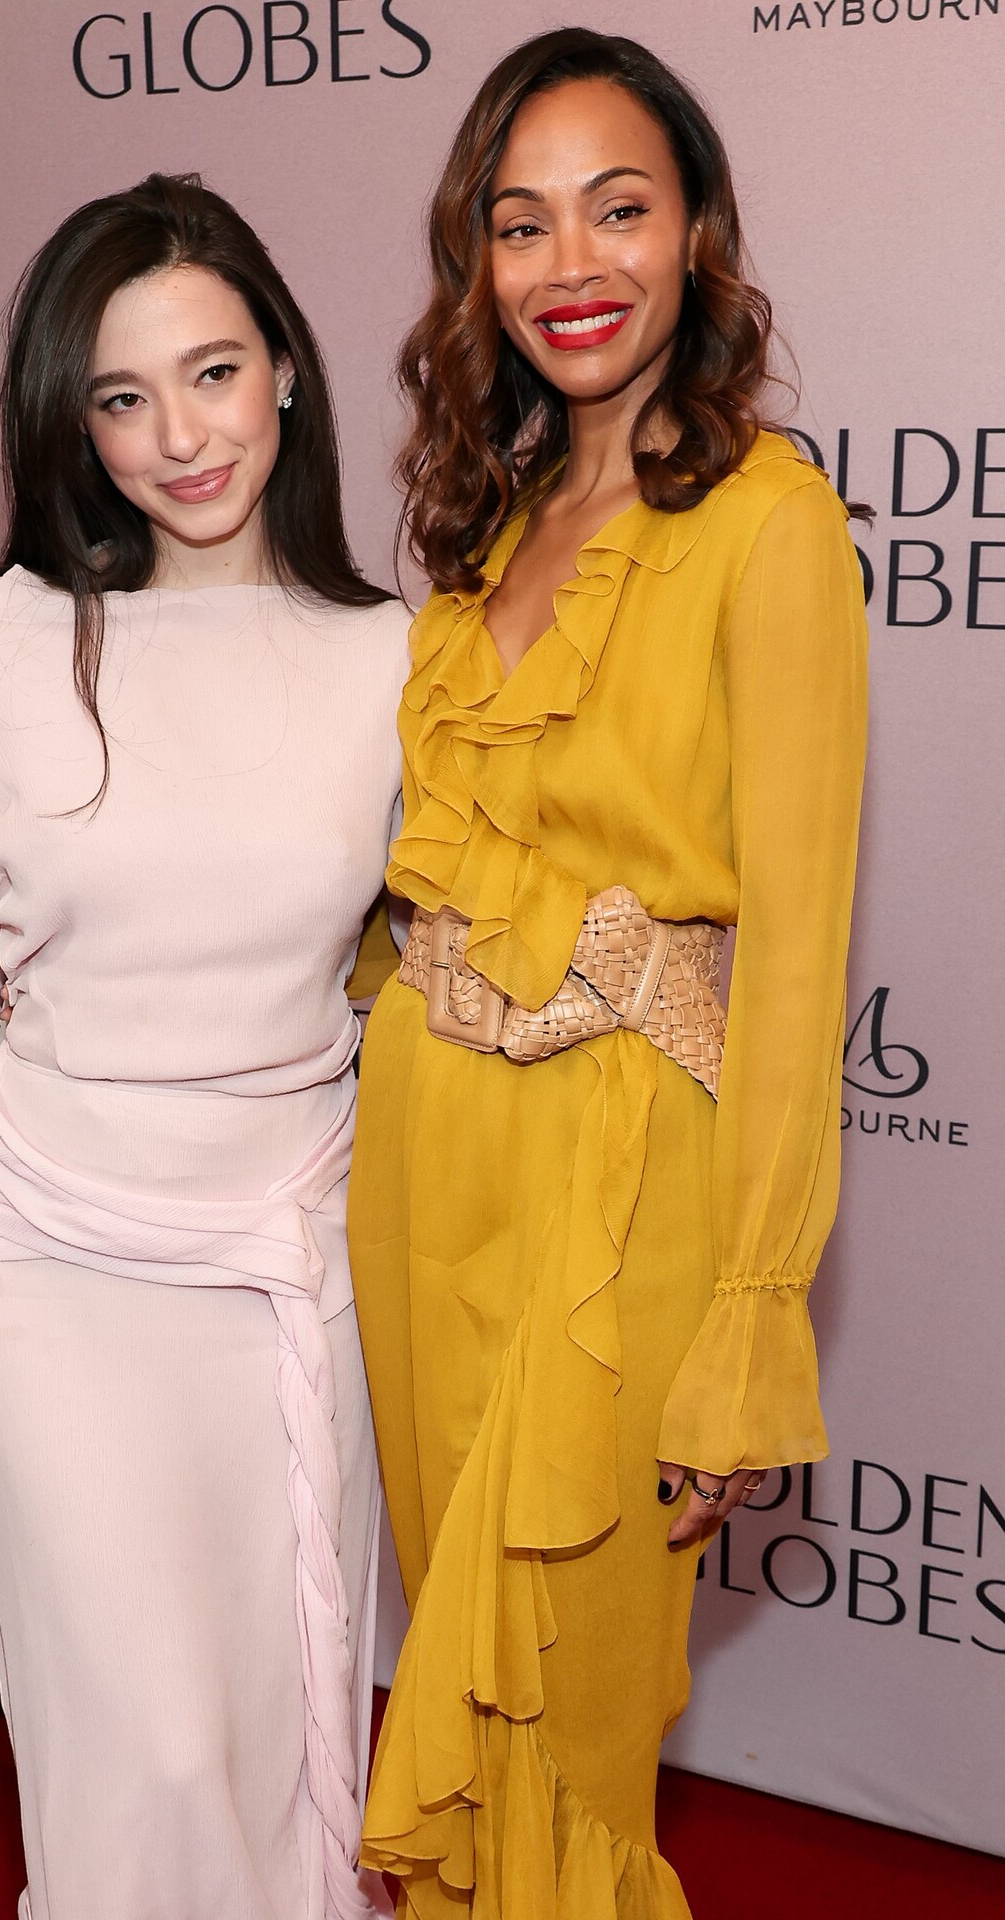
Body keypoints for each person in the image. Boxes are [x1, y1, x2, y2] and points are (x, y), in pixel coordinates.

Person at [0, 173, 408, 1920]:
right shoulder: (6, 647)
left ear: (286, 369)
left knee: (284, 1706)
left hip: (294, 1257)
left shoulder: (394, 659)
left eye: (214, 372)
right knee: (137, 1748)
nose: (180, 436)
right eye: (121, 396)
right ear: (75, 428)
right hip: (61, 1265)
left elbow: (429, 977)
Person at [347, 28, 868, 1918]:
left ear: (696, 234)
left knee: (567, 1728)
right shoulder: (480, 528)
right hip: (426, 1164)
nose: (569, 263)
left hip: (625, 1194)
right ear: (476, 264)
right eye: (520, 223)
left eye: (616, 209)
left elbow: (794, 957)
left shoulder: (771, 526)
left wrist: (751, 1310)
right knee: (451, 1693)